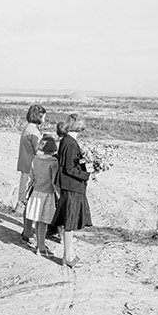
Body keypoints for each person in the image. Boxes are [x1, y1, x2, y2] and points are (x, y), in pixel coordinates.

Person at [48, 114, 92, 268]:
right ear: (78, 126)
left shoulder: (66, 141)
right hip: (72, 186)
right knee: (70, 223)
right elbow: (70, 168)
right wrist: (88, 174)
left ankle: (69, 255)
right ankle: (68, 257)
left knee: (69, 222)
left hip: (67, 186)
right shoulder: (71, 143)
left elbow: (67, 163)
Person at [23, 134, 59, 256]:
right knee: (43, 221)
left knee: (37, 220)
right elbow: (54, 182)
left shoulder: (35, 160)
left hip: (36, 193)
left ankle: (40, 244)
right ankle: (41, 248)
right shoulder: (54, 163)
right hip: (47, 195)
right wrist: (59, 195)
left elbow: (31, 178)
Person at [13, 103, 46, 217]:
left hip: (25, 164)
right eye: (43, 117)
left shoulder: (28, 127)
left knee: (24, 192)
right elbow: (37, 150)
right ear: (39, 116)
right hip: (31, 165)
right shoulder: (33, 131)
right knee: (29, 195)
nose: (44, 119)